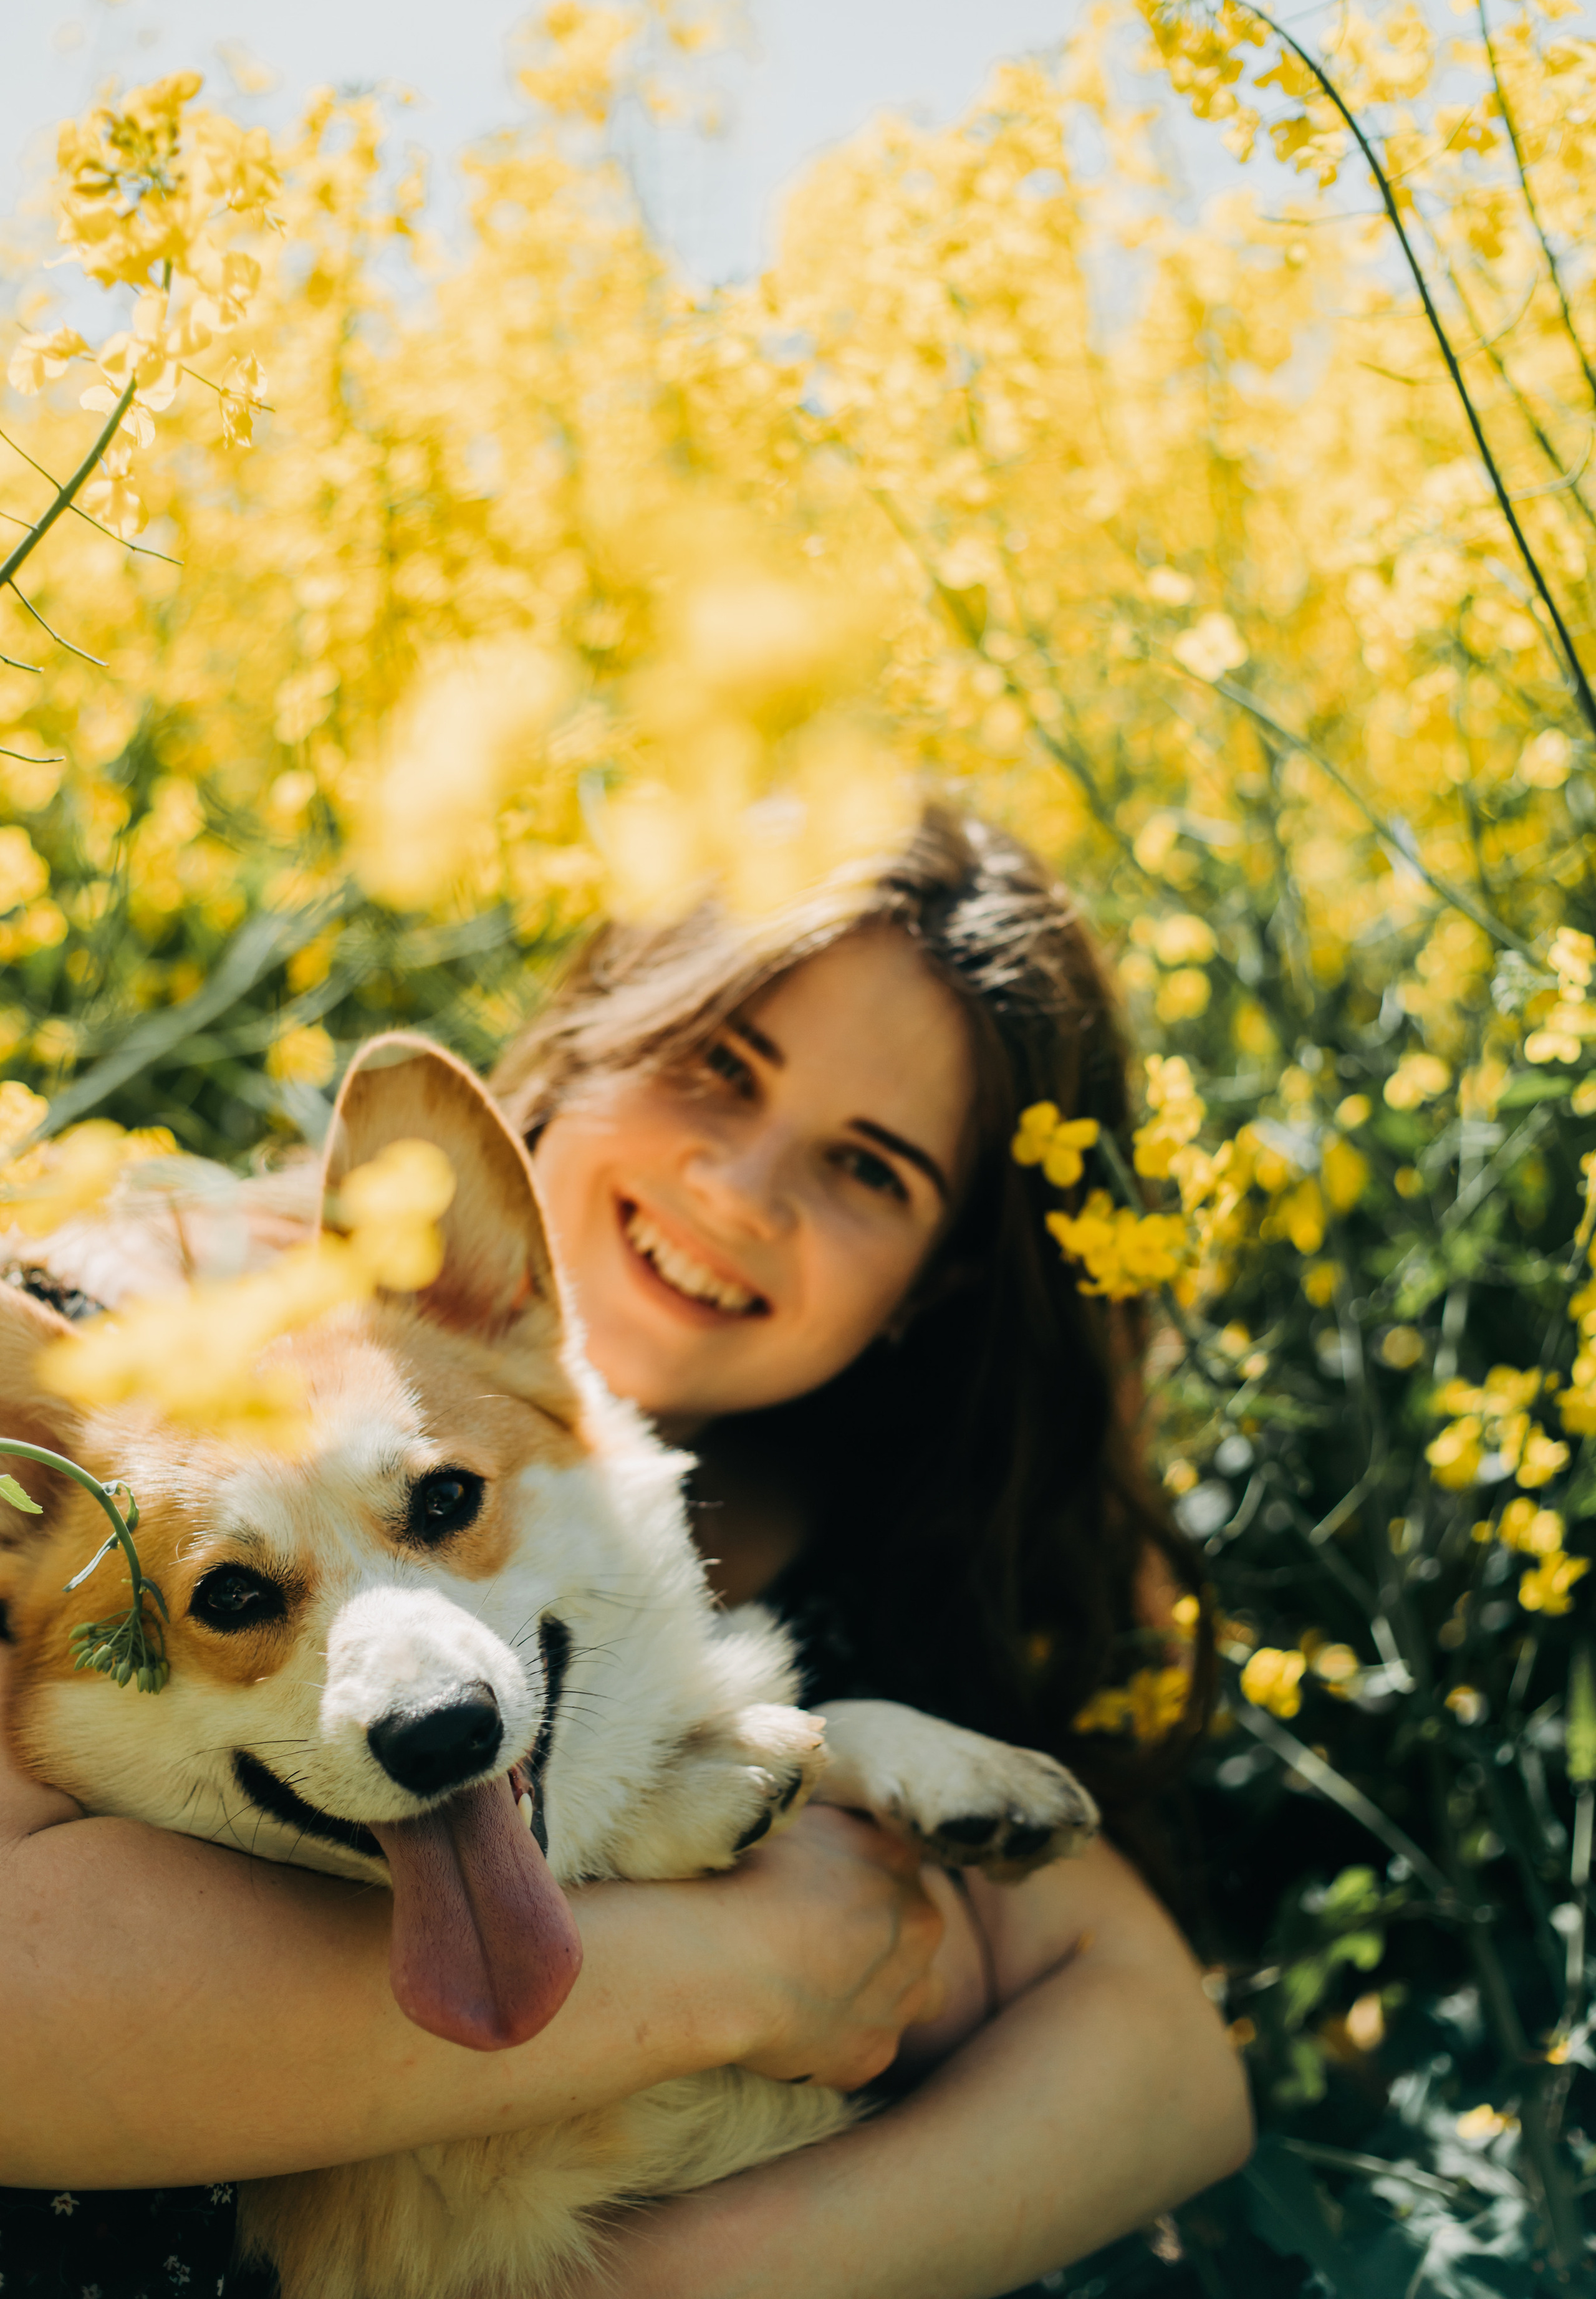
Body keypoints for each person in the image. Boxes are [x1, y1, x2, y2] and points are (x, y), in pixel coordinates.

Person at [0, 805, 1251, 2299]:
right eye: (718, 1066)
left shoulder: (867, 1583)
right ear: (591, 1035)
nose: (738, 1191)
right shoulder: (140, 1343)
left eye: (869, 1169)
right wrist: (738, 1964)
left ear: (936, 1278)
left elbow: (1166, 2060)